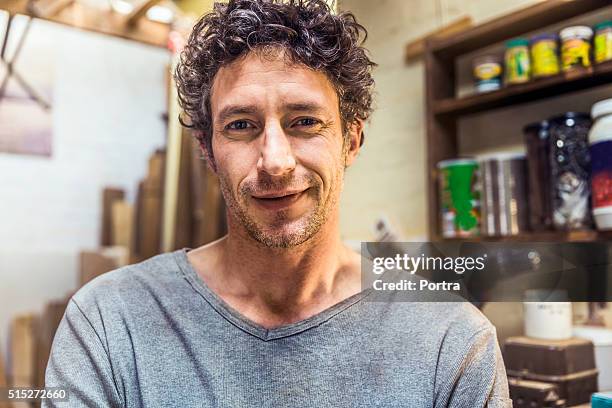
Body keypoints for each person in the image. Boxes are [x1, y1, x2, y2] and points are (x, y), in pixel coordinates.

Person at [45, 0, 511, 406]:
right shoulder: (109, 325)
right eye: (242, 125)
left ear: (351, 140)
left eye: (304, 121)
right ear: (208, 149)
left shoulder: (450, 341)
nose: (275, 161)